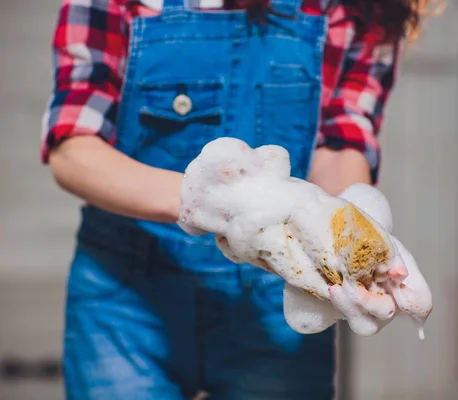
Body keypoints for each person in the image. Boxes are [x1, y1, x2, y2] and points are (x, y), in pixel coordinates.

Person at [41, 0, 430, 398]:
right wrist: (201, 204)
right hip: (126, 299)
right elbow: (73, 148)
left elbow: (340, 144)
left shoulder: (364, 8)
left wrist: (349, 233)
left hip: (275, 296)